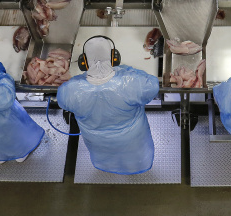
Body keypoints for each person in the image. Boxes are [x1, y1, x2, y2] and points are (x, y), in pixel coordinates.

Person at [57, 36, 160, 175]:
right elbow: (153, 85)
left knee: (106, 158)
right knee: (136, 158)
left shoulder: (70, 91)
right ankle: (136, 167)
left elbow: (63, 102)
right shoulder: (131, 82)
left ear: (84, 62)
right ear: (114, 58)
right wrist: (127, 70)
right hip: (132, 140)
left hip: (98, 143)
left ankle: (107, 167)